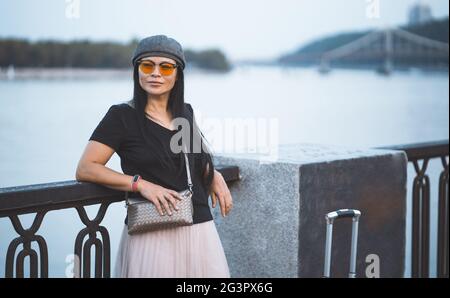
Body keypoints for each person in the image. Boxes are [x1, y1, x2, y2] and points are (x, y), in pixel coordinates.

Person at [75, 35, 233, 278]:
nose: (155, 73)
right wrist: (141, 185)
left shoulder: (185, 113)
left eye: (165, 67)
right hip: (151, 234)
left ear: (177, 74)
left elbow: (195, 160)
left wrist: (213, 175)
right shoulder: (121, 117)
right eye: (147, 65)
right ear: (137, 71)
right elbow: (86, 168)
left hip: (198, 228)